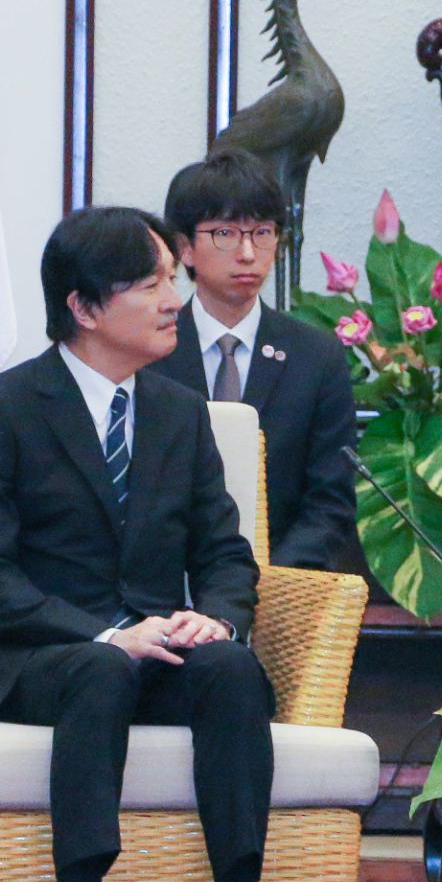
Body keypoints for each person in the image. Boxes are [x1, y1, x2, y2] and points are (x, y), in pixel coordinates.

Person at [0, 206, 296, 882]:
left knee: (234, 670)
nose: (174, 298)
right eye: (152, 284)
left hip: (155, 643)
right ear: (85, 305)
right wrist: (108, 633)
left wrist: (216, 615)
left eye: (170, 279)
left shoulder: (178, 411)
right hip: (35, 655)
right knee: (102, 668)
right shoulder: (1, 409)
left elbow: (223, 552)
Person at [154, 152, 357, 570]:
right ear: (185, 249)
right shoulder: (150, 351)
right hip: (163, 589)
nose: (248, 252)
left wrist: (263, 581)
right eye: (226, 233)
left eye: (262, 232)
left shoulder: (317, 357)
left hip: (278, 584)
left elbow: (330, 502)